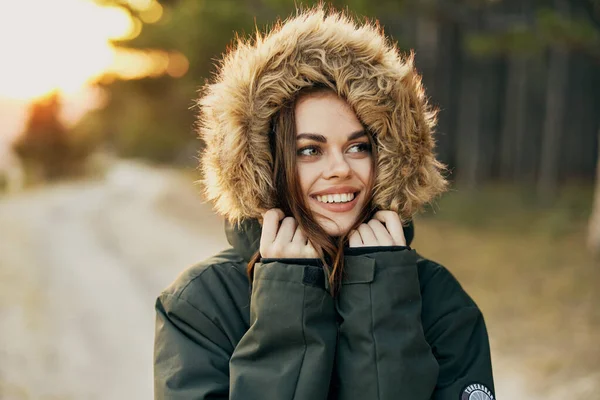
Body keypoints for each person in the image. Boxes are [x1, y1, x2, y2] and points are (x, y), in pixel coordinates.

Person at [153, 5, 495, 400]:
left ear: (387, 155)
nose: (340, 169)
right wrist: (286, 310)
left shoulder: (438, 299)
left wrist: (383, 307)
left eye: (358, 147)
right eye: (310, 150)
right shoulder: (201, 303)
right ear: (267, 161)